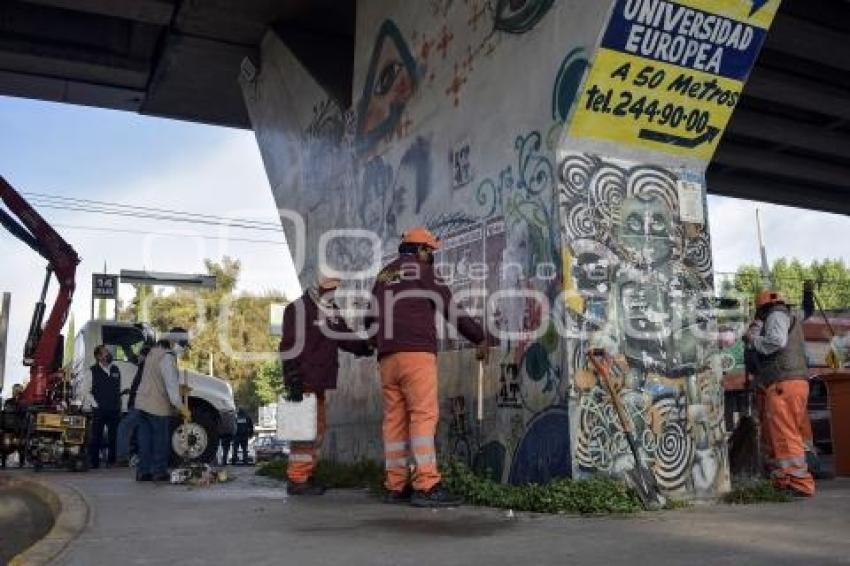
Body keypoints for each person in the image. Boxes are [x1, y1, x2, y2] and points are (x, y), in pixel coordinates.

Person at [367, 227, 488, 507]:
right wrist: (479, 337)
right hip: (416, 354)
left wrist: (380, 342)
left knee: (394, 421)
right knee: (422, 415)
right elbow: (451, 310)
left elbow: (369, 319)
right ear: (420, 250)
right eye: (430, 251)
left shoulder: (383, 275)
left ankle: (395, 485)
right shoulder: (423, 272)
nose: (432, 256)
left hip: (387, 359)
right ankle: (426, 484)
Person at [279, 275, 373, 495]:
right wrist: (292, 376)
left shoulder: (330, 309)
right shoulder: (298, 308)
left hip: (319, 381)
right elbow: (288, 344)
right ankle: (297, 479)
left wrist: (366, 346)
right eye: (329, 289)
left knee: (316, 430)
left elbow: (345, 337)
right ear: (318, 287)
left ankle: (305, 475)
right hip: (302, 381)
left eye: (335, 289)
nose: (333, 293)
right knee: (304, 431)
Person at [745, 290, 815, 497]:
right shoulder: (790, 316)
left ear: (762, 307)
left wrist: (753, 340)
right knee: (793, 432)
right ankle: (787, 479)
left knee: (785, 434)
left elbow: (776, 341)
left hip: (783, 384)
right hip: (794, 382)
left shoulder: (776, 314)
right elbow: (806, 313)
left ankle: (800, 484)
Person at [133, 328, 191, 482]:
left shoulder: (154, 352)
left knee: (145, 440)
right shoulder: (167, 357)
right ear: (174, 340)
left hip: (142, 403)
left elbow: (156, 379)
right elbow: (170, 389)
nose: (183, 348)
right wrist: (182, 408)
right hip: (157, 406)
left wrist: (179, 389)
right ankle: (159, 472)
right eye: (183, 344)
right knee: (160, 440)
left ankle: (143, 472)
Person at [82, 345, 123, 468]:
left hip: (114, 409)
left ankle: (111, 461)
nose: (108, 354)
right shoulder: (91, 371)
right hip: (99, 410)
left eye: (108, 352)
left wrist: (119, 404)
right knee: (96, 436)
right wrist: (95, 405)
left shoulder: (116, 369)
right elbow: (85, 391)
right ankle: (94, 462)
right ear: (98, 357)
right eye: (105, 352)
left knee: (114, 436)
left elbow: (117, 389)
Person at [116, 345, 150, 465]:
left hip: (138, 404)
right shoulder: (142, 367)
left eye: (141, 355)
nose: (138, 357)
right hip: (137, 403)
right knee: (139, 432)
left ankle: (122, 458)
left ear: (145, 357)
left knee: (123, 427)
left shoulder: (146, 368)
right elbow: (132, 357)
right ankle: (137, 457)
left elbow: (145, 388)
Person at [1, 384, 24, 468]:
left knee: (19, 446)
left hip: (18, 429)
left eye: (18, 390)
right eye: (15, 390)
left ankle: (21, 463)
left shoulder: (23, 402)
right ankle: (3, 463)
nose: (16, 392)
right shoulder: (9, 401)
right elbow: (4, 414)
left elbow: (23, 414)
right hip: (8, 429)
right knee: (6, 445)